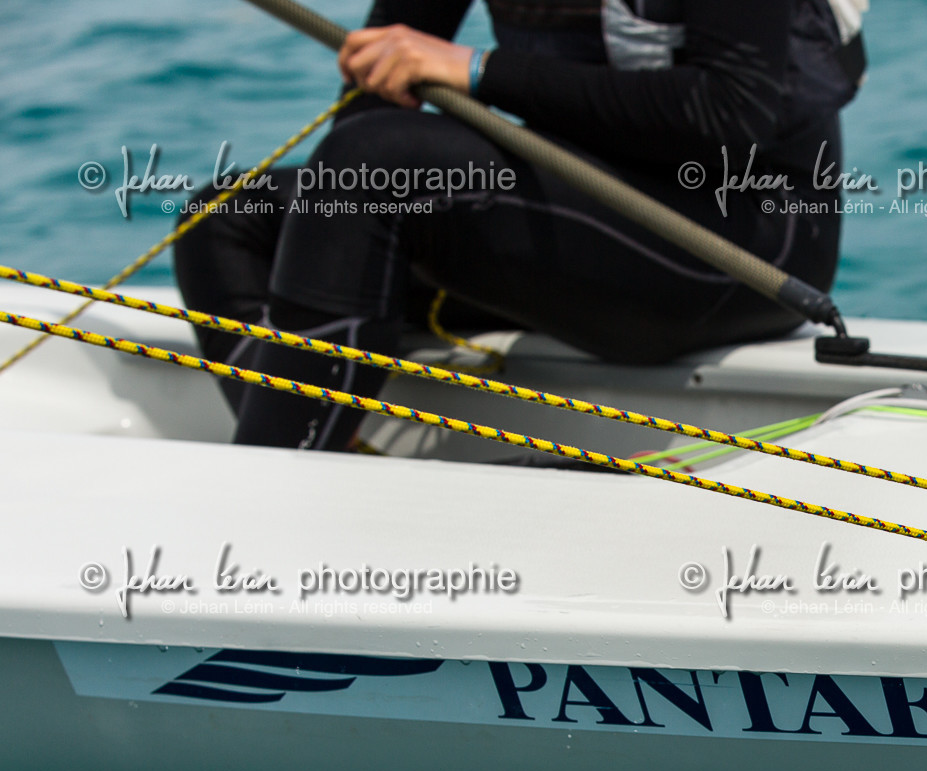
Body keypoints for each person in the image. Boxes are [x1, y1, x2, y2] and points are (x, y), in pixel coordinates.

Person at [175, 0, 864, 451]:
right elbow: (371, 102)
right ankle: (319, 468)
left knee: (375, 163)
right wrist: (350, 247)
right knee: (230, 220)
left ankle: (261, 530)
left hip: (741, 248)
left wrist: (476, 70)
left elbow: (730, 112)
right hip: (582, 228)